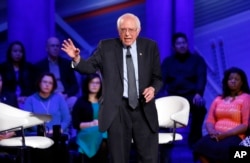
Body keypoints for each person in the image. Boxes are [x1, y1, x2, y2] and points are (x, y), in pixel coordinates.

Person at [62, 13, 163, 163]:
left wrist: (153, 89)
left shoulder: (150, 47)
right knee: (118, 159)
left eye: (131, 29)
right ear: (118, 30)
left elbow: (158, 78)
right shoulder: (106, 47)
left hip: (143, 108)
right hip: (117, 110)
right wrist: (76, 59)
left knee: (149, 158)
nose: (127, 34)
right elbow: (89, 67)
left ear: (138, 30)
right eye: (123, 30)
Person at [193, 67, 250, 163]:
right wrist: (212, 131)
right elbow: (210, 120)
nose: (233, 81)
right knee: (200, 146)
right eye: (230, 79)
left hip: (235, 135)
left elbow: (245, 125)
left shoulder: (246, 98)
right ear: (226, 81)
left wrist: (225, 134)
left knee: (224, 151)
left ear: (242, 83)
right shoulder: (218, 99)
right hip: (216, 134)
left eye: (236, 79)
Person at [160, 32, 207, 148]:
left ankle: (194, 139)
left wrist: (198, 93)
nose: (182, 45)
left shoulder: (197, 60)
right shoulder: (168, 62)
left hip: (192, 96)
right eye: (178, 43)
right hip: (173, 97)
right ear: (174, 46)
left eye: (184, 43)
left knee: (200, 108)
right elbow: (161, 80)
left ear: (187, 44)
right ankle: (166, 141)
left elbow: (201, 77)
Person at [72, 73, 108, 163]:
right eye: (92, 82)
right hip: (86, 132)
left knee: (103, 135)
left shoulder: (105, 101)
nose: (95, 85)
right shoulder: (80, 102)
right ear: (87, 84)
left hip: (103, 131)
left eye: (97, 83)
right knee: (100, 134)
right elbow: (75, 123)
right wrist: (91, 124)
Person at [35, 37, 79, 109]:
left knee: (74, 101)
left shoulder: (66, 64)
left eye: (57, 46)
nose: (55, 48)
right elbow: (36, 86)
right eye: (52, 46)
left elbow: (75, 85)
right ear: (47, 48)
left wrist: (66, 95)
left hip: (64, 96)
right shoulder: (40, 66)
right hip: (48, 96)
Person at [0, 41, 36, 108]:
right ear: (10, 53)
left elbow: (33, 86)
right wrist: (14, 98)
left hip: (26, 98)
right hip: (8, 99)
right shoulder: (3, 68)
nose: (18, 54)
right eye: (15, 51)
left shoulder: (29, 67)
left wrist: (26, 97)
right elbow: (3, 88)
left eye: (20, 51)